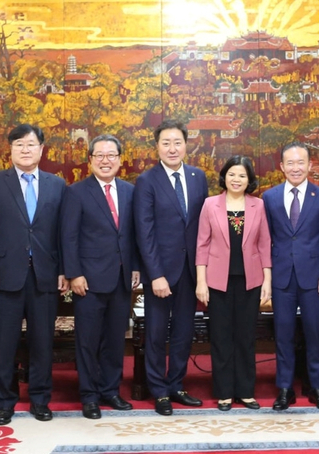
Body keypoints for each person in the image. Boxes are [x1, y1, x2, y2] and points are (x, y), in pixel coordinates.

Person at [0, 124, 68, 425]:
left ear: (42, 149)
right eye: (19, 144)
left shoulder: (57, 185)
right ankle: (4, 401)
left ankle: (40, 400)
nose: (25, 150)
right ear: (10, 149)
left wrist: (65, 270)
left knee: (42, 342)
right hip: (4, 275)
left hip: (46, 275)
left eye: (31, 144)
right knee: (5, 343)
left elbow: (64, 234)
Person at [61, 134, 139, 420]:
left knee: (116, 339)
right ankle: (89, 395)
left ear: (120, 159)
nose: (105, 161)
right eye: (99, 156)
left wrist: (136, 267)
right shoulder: (76, 192)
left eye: (111, 155)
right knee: (88, 340)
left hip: (121, 279)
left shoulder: (131, 191)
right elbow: (68, 237)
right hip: (88, 282)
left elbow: (134, 235)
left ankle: (110, 390)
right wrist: (74, 274)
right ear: (90, 160)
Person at [133, 119, 209, 416]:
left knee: (183, 331)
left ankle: (176, 384)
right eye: (166, 143)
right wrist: (156, 274)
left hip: (191, 272)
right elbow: (144, 231)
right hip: (161, 274)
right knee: (155, 333)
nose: (172, 148)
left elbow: (202, 226)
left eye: (177, 142)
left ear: (186, 145)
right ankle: (159, 390)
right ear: (157, 147)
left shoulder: (197, 177)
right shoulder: (147, 181)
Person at [262, 142, 319, 411]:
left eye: (300, 162)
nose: (295, 167)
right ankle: (284, 389)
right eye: (290, 163)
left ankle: (317, 388)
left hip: (314, 277)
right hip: (282, 278)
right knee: (283, 335)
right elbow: (264, 240)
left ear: (310, 165)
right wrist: (266, 278)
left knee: (315, 333)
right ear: (282, 166)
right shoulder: (269, 197)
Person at [196, 155, 271, 411]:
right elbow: (202, 245)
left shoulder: (258, 206)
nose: (236, 179)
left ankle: (246, 391)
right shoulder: (210, 205)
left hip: (250, 281)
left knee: (246, 336)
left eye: (242, 175)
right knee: (221, 336)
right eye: (232, 174)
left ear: (249, 179)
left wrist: (267, 281)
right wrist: (201, 281)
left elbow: (264, 245)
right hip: (217, 281)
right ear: (224, 177)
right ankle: (225, 392)